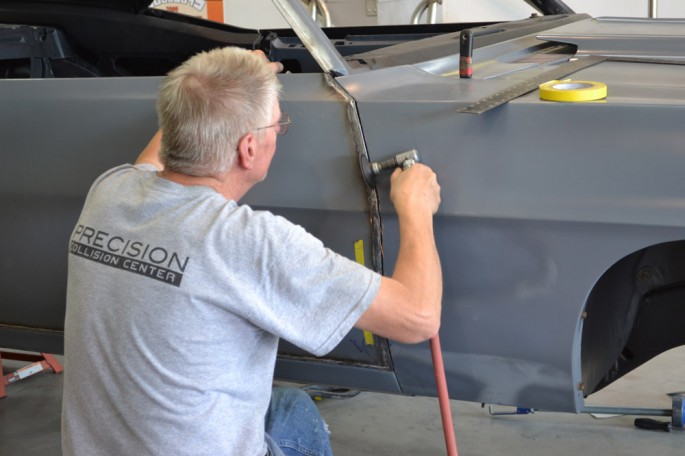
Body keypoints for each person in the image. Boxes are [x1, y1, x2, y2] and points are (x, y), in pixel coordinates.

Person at [62, 47, 441, 456]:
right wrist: (416, 208)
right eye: (278, 125)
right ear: (248, 149)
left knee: (284, 405)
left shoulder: (111, 190)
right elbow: (418, 317)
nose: (278, 131)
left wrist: (226, 77)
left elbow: (161, 151)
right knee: (297, 413)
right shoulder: (250, 242)